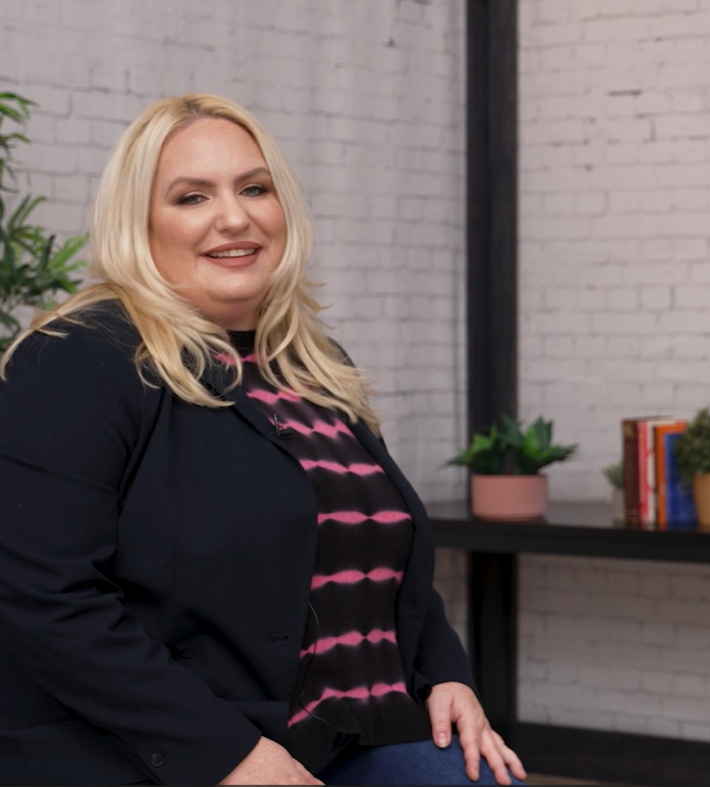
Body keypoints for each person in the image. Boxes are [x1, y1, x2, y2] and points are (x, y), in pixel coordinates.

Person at [0, 94, 526, 785]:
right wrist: (226, 753)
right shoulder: (79, 356)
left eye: (254, 188)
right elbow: (43, 595)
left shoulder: (313, 364)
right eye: (192, 196)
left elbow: (378, 552)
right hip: (164, 750)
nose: (234, 216)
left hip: (350, 735)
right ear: (138, 222)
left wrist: (444, 674)